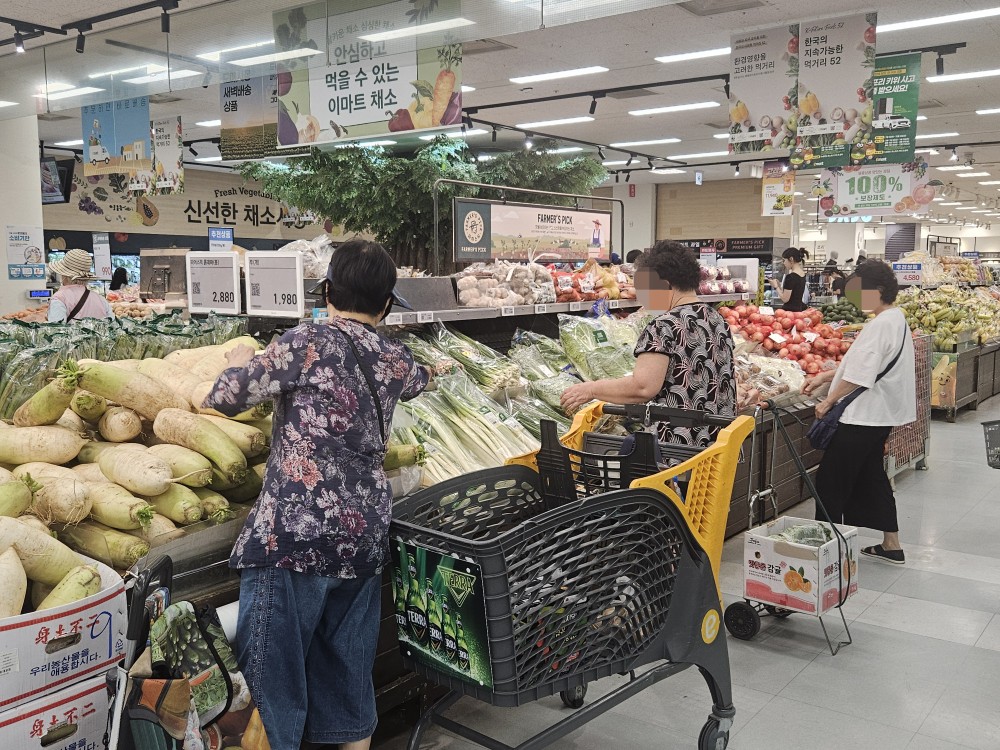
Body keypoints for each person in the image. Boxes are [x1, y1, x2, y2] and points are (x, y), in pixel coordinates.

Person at [201, 239, 430, 750]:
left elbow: (225, 397)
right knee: (347, 676)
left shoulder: (304, 342)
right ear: (386, 304)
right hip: (363, 534)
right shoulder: (395, 357)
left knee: (271, 687)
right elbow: (421, 379)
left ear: (326, 291)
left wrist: (241, 359)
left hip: (295, 534)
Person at [561, 240, 736, 451]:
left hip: (678, 450)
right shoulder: (716, 318)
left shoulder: (664, 326)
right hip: (717, 445)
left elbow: (642, 387)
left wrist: (591, 389)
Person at [802, 260, 915, 564]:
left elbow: (861, 374)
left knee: (830, 482)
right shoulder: (895, 319)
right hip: (880, 415)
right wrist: (827, 376)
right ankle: (891, 544)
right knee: (871, 475)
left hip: (864, 416)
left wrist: (828, 400)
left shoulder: (881, 325)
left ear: (878, 290)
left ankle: (826, 551)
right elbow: (868, 366)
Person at [46, 249, 113, 323]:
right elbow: (113, 324)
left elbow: (56, 328)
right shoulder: (101, 300)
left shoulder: (60, 298)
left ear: (64, 275)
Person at [770, 247, 809, 312]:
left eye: (784, 260)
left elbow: (785, 299)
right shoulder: (802, 274)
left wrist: (776, 287)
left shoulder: (790, 277)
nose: (784, 263)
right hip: (799, 310)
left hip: (789, 312)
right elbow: (793, 294)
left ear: (791, 259)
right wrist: (779, 286)